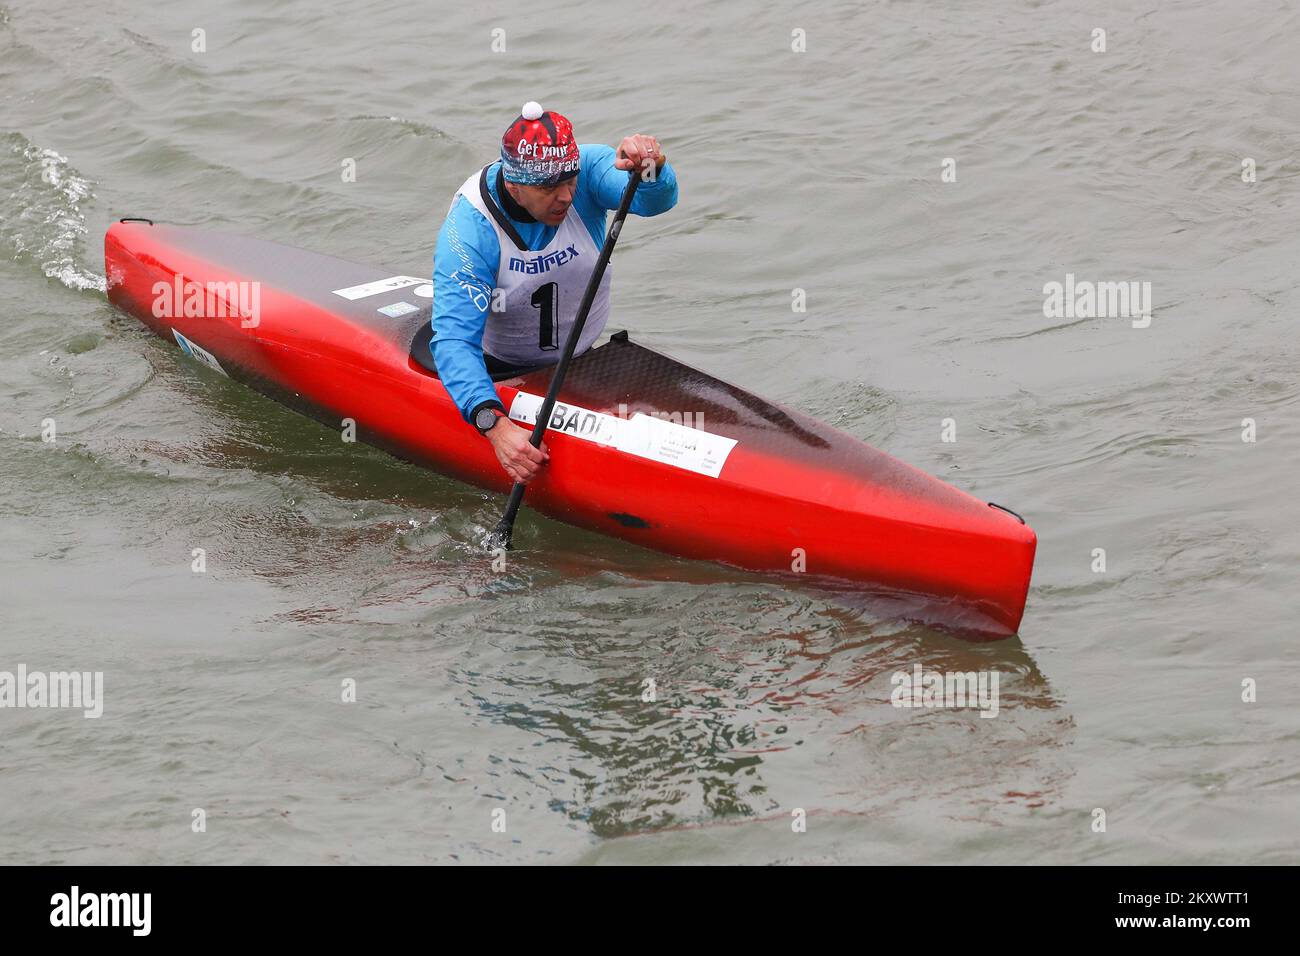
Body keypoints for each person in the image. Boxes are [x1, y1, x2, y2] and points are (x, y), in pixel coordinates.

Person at [430, 102, 678, 484]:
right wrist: (496, 429)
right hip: (504, 369)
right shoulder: (470, 230)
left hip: (587, 363)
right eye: (548, 187)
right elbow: (453, 342)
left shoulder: (590, 170)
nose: (565, 196)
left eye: (569, 180)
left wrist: (652, 166)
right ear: (513, 185)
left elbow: (654, 201)